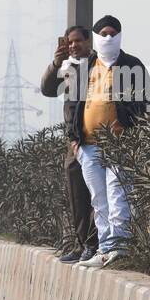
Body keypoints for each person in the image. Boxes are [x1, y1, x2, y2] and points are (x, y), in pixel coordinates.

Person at [73, 15, 147, 269]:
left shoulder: (131, 66)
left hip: (119, 144)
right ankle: (105, 248)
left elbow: (141, 104)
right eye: (103, 33)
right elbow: (74, 105)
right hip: (89, 146)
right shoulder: (85, 67)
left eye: (113, 33)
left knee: (119, 195)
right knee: (99, 198)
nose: (108, 38)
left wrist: (132, 133)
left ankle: (120, 247)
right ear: (95, 36)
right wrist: (75, 140)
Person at [41, 25, 100, 264]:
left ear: (89, 42)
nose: (74, 46)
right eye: (69, 42)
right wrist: (56, 64)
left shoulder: (100, 65)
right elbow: (47, 90)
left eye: (78, 41)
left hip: (96, 140)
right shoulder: (67, 68)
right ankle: (83, 244)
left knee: (99, 196)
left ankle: (97, 245)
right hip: (74, 144)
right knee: (77, 195)